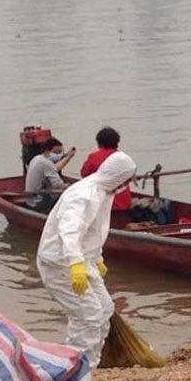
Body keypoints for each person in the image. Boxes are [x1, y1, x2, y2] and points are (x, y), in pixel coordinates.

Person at [36, 152, 137, 368]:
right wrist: (75, 264)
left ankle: (88, 365)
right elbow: (69, 230)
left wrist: (97, 259)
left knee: (105, 309)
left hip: (84, 261)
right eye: (127, 180)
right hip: (60, 263)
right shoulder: (84, 194)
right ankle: (75, 371)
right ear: (118, 177)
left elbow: (92, 232)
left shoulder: (103, 192)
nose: (127, 185)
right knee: (89, 316)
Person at [80, 126, 131, 211]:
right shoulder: (124, 157)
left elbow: (84, 175)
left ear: (100, 143)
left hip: (105, 205)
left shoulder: (94, 156)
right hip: (125, 203)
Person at [24, 137, 76, 212]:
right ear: (47, 151)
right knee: (69, 194)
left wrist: (68, 156)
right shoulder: (46, 163)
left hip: (30, 200)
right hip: (39, 201)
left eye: (60, 152)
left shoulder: (37, 158)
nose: (58, 155)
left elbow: (54, 167)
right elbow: (58, 185)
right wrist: (72, 186)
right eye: (56, 152)